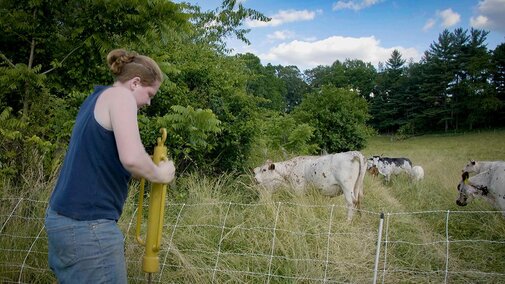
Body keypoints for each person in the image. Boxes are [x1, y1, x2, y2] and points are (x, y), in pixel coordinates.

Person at [45, 49, 175, 283]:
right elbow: (132, 158)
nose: (149, 102)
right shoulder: (121, 97)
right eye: (150, 93)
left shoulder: (97, 97)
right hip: (88, 227)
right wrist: (160, 173)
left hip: (62, 219)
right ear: (135, 83)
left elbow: (109, 157)